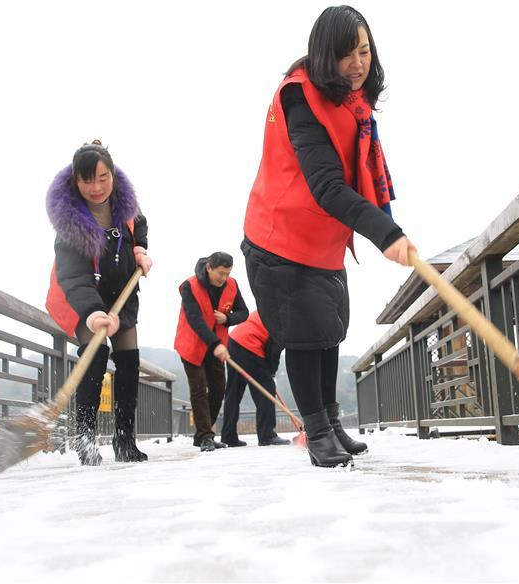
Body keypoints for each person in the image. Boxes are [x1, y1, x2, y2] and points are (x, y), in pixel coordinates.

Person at [242, 6, 416, 467]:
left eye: (364, 51)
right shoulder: (301, 98)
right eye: (346, 54)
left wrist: (384, 224)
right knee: (303, 334)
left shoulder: (351, 102)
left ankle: (333, 422)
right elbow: (327, 187)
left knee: (329, 330)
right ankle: (316, 431)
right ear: (324, 54)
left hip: (321, 239)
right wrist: (386, 232)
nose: (358, 63)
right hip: (279, 237)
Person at [46, 140, 153, 466]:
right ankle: (86, 438)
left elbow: (141, 226)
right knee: (96, 352)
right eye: (88, 180)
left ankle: (125, 440)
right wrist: (93, 314)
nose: (96, 187)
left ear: (113, 175)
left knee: (129, 359)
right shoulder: (70, 224)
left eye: (103, 177)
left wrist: (140, 249)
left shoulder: (125, 207)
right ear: (75, 181)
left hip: (121, 291)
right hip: (81, 296)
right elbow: (73, 277)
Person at [174, 252, 249, 452]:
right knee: (199, 389)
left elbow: (244, 312)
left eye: (227, 273)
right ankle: (205, 436)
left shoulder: (232, 285)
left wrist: (228, 319)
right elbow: (195, 319)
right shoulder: (190, 286)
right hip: (192, 345)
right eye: (220, 273)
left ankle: (203, 433)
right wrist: (215, 343)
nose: (223, 278)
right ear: (209, 268)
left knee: (218, 388)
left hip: (217, 347)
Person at [221, 311, 290, 447]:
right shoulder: (285, 317)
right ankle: (267, 435)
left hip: (233, 341)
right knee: (267, 387)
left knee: (233, 392)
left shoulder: (269, 305)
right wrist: (271, 372)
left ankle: (228, 436)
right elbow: (273, 349)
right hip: (249, 344)